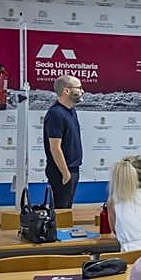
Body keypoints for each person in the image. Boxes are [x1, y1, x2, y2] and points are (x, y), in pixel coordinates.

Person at [43, 74, 84, 208]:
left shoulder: (71, 111)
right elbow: (55, 147)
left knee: (66, 208)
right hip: (61, 171)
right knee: (61, 210)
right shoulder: (56, 114)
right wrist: (65, 173)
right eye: (78, 88)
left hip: (72, 169)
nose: (82, 91)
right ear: (66, 91)